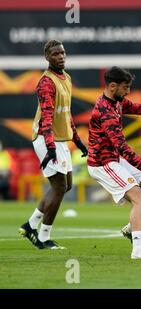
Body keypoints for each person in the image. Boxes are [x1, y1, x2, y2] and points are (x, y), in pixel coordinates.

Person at [87, 66, 141, 259]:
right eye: (125, 87)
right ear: (113, 86)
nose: (128, 91)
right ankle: (138, 250)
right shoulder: (105, 111)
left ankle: (131, 228)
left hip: (115, 160)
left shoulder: (117, 102)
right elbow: (121, 146)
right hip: (103, 164)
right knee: (139, 197)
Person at [19, 40, 88, 250]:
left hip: (59, 139)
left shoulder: (66, 78)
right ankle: (42, 237)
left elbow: (66, 115)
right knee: (58, 187)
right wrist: (49, 147)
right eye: (56, 54)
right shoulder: (46, 82)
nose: (61, 57)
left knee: (66, 185)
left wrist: (78, 141)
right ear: (47, 58)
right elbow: (47, 117)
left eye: (63, 53)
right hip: (45, 137)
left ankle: (30, 225)